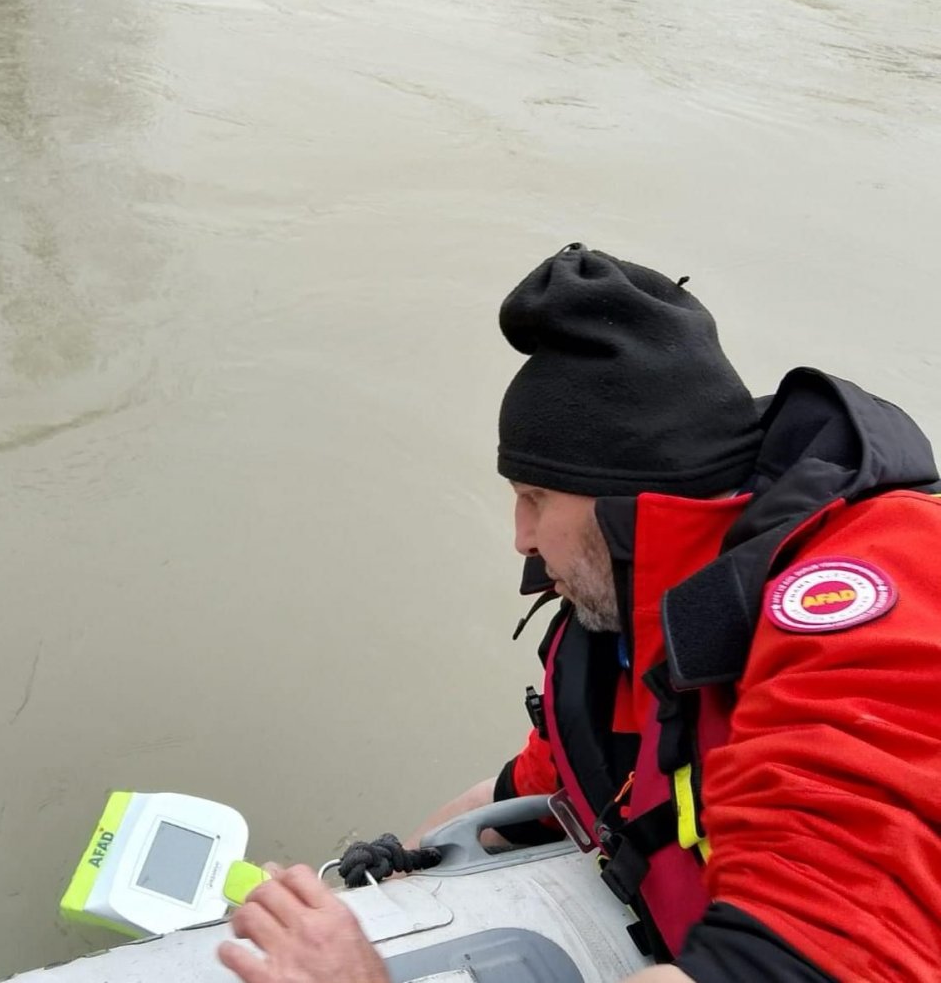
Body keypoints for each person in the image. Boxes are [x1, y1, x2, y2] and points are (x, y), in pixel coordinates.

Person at [218, 245, 941, 983]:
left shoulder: (878, 597)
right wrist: (383, 877)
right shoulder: (631, 617)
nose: (521, 538)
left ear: (628, 505)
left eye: (537, 498)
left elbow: (801, 964)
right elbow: (531, 791)